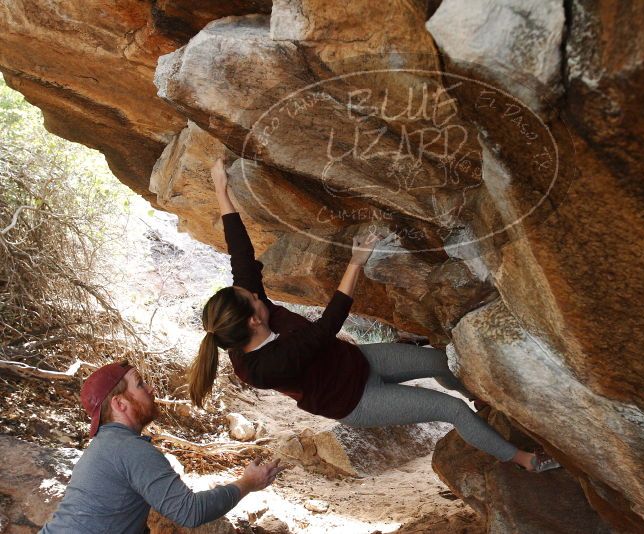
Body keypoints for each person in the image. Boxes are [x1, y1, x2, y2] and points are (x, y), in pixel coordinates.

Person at [188, 158, 560, 473]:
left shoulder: (249, 316)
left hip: (358, 361)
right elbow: (324, 330)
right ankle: (526, 460)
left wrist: (221, 188)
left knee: (437, 361)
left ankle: (484, 401)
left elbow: (241, 255)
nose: (255, 294)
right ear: (253, 321)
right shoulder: (261, 368)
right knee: (451, 409)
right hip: (356, 400)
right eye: (251, 299)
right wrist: (355, 263)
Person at [41, 360, 285, 533]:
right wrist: (248, 483)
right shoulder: (130, 449)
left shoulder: (105, 446)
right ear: (120, 403)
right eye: (140, 384)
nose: (151, 389)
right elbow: (190, 512)